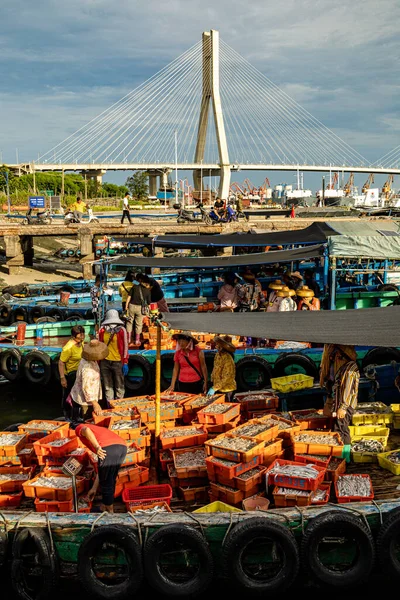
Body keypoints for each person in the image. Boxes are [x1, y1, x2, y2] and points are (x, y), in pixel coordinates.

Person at [71, 422, 127, 513]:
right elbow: (101, 471)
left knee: (107, 482)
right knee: (110, 478)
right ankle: (104, 507)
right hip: (122, 447)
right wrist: (94, 488)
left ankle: (110, 512)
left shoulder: (78, 428)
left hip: (108, 448)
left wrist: (97, 447)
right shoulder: (98, 430)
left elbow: (86, 430)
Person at [320, 344, 360, 444]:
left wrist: (343, 408)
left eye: (335, 356)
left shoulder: (349, 369)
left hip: (345, 406)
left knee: (341, 430)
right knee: (340, 429)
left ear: (341, 356)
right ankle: (343, 455)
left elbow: (348, 389)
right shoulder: (344, 368)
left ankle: (344, 456)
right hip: (340, 405)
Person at [66, 339, 108, 422]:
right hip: (84, 400)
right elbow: (86, 388)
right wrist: (95, 404)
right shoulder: (87, 369)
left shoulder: (89, 360)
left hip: (83, 394)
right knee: (86, 421)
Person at [98, 309, 129, 405]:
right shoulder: (102, 330)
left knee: (119, 385)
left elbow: (125, 347)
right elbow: (99, 345)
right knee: (107, 386)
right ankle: (109, 404)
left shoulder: (121, 330)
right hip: (105, 361)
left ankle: (119, 404)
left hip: (118, 361)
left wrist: (125, 362)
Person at [59, 325, 86, 418]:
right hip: (71, 374)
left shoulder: (81, 343)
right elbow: (61, 363)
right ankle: (67, 416)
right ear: (74, 336)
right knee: (70, 396)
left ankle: (76, 415)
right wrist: (62, 378)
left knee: (78, 395)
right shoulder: (68, 347)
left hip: (79, 373)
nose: (82, 338)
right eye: (80, 336)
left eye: (83, 335)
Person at [125, 277, 152, 345]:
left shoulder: (135, 287)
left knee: (129, 322)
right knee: (139, 324)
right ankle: (137, 340)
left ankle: (128, 339)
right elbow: (149, 303)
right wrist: (150, 311)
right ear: (147, 284)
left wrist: (126, 306)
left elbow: (129, 297)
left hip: (131, 306)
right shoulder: (147, 291)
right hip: (140, 308)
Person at [211, 335, 236, 401]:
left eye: (217, 344)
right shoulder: (217, 355)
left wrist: (214, 388)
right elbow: (215, 369)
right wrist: (212, 381)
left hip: (227, 389)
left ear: (222, 346)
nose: (216, 346)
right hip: (218, 388)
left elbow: (227, 377)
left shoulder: (228, 358)